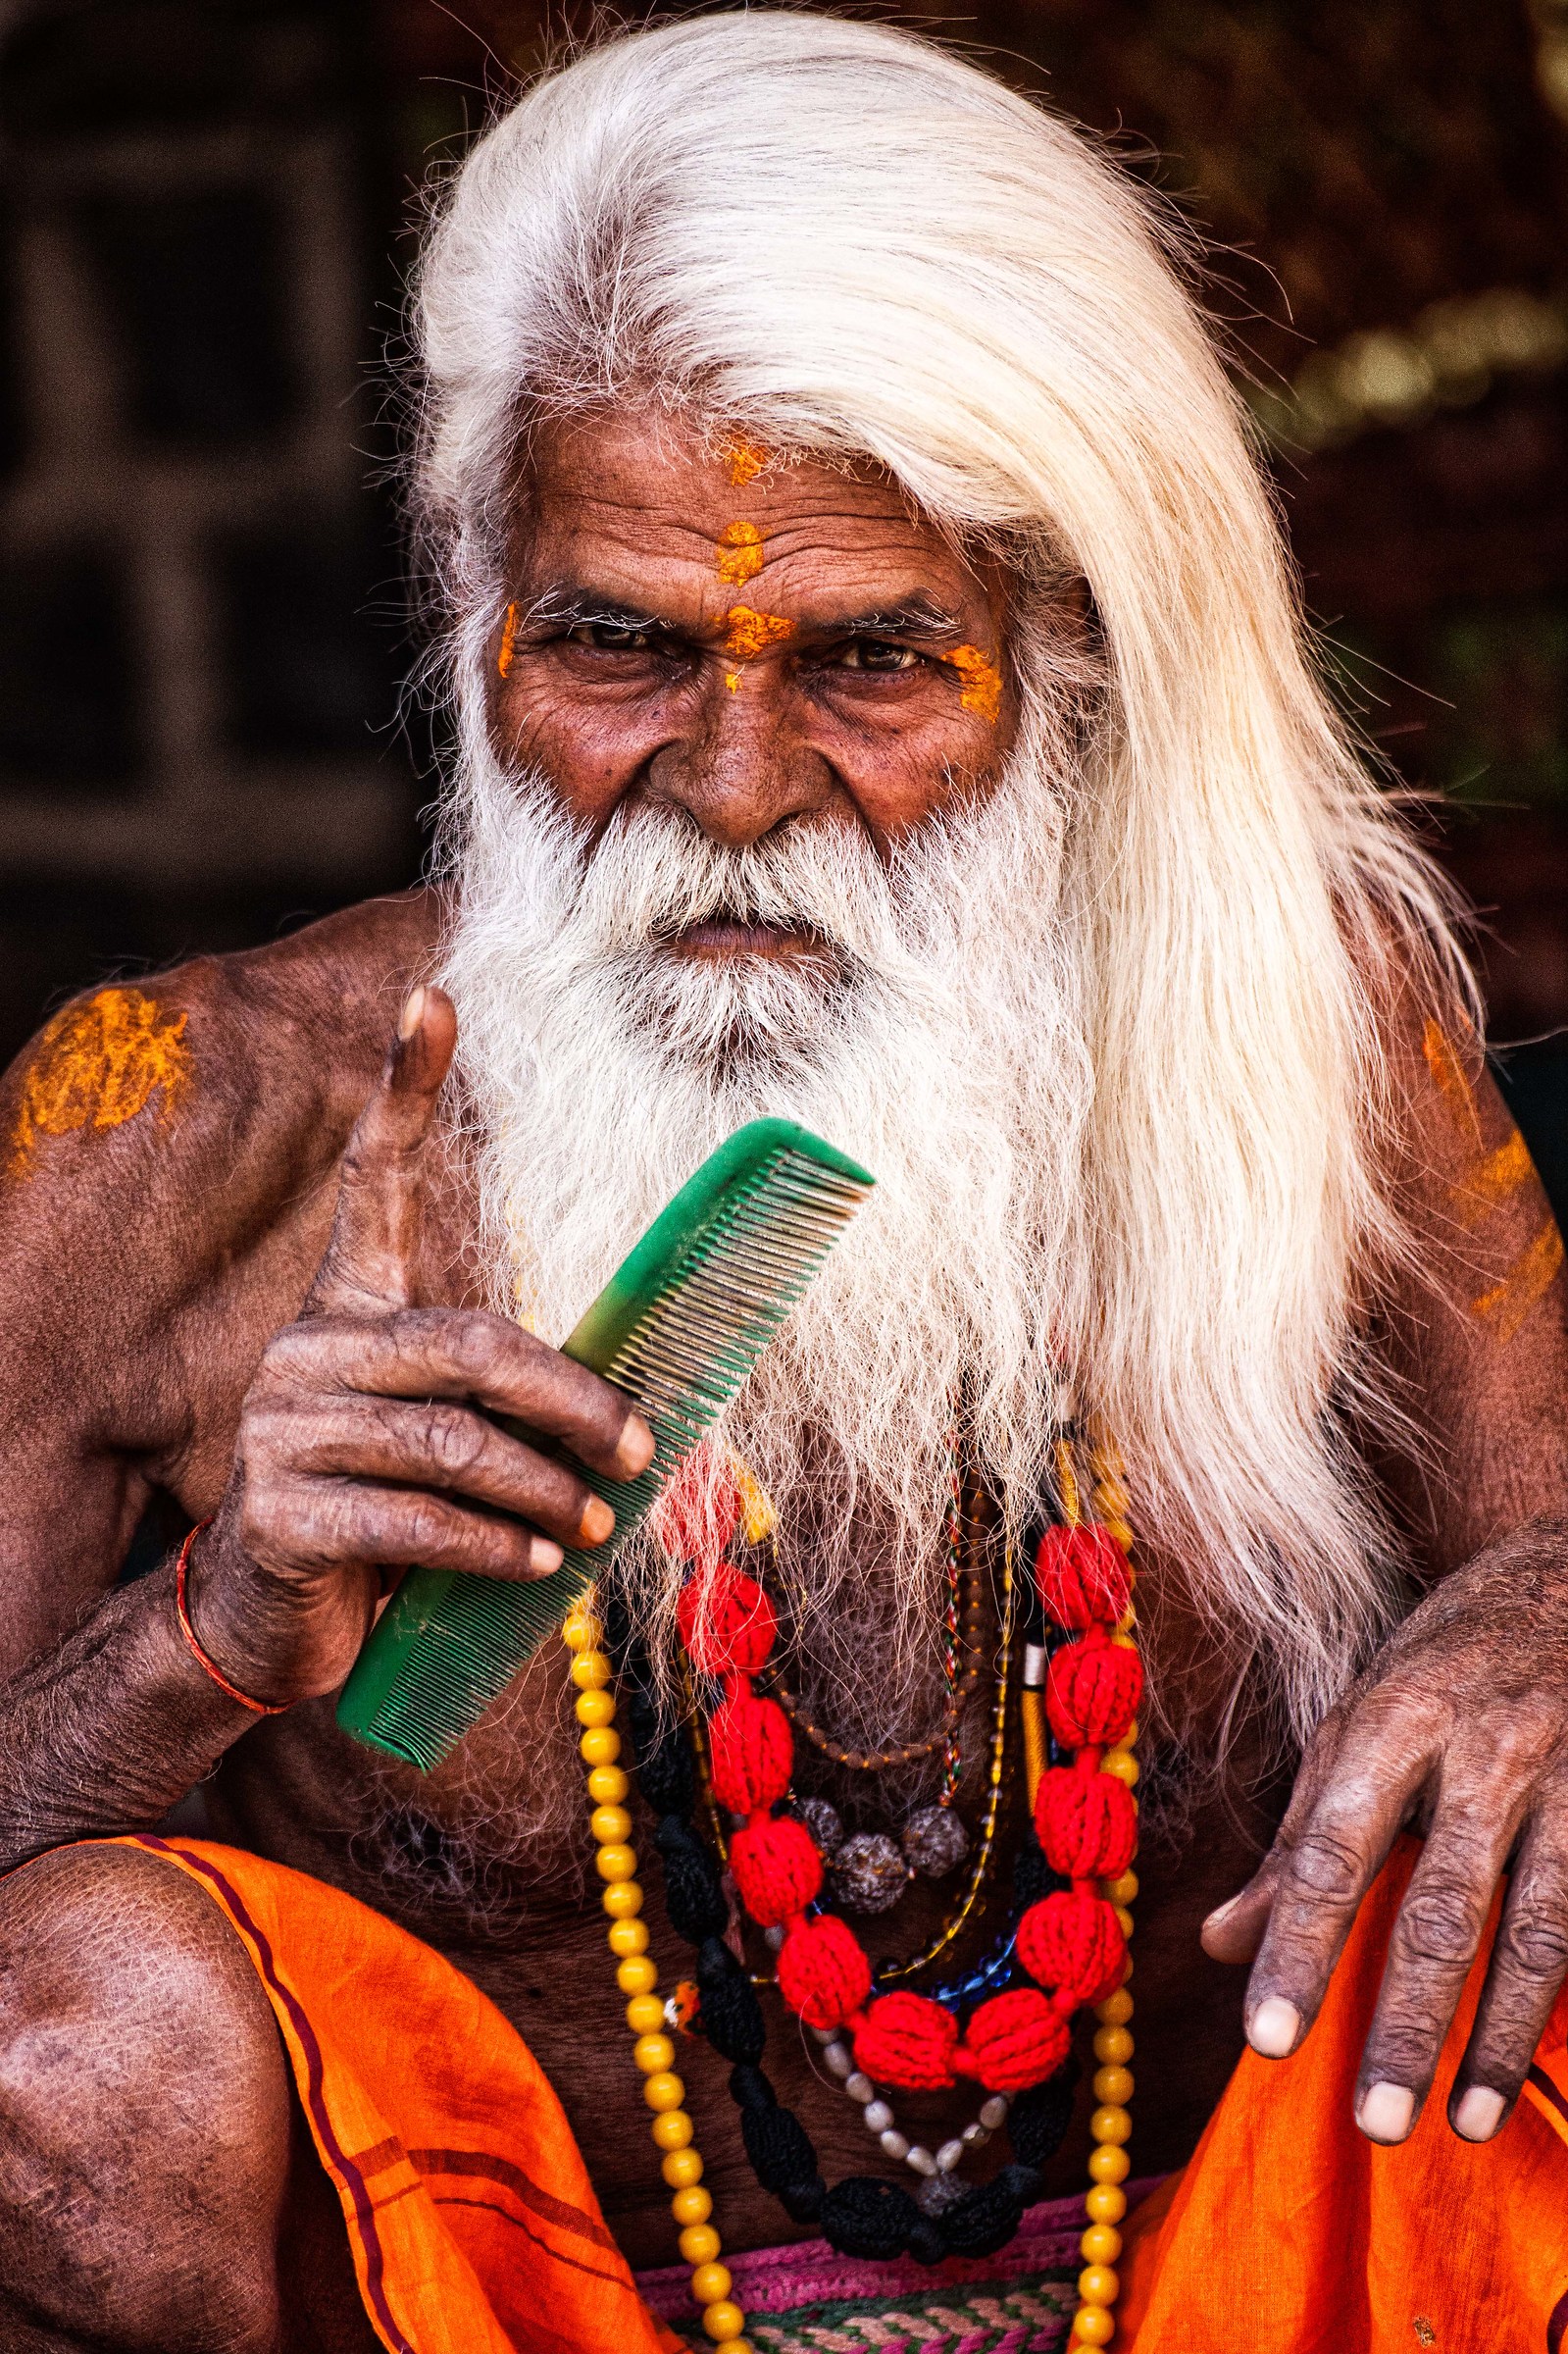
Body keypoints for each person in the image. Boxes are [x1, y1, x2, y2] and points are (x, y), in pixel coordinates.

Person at [1, 14, 1566, 2350]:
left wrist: (1548, 1618)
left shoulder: (1310, 1033)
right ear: (472, 610)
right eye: (618, 644)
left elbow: (1545, 1541)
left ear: (1063, 665)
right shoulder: (170, 1123)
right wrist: (208, 1633)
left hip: (1254, 2285)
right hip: (502, 2305)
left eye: (870, 660)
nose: (731, 784)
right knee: (63, 2041)